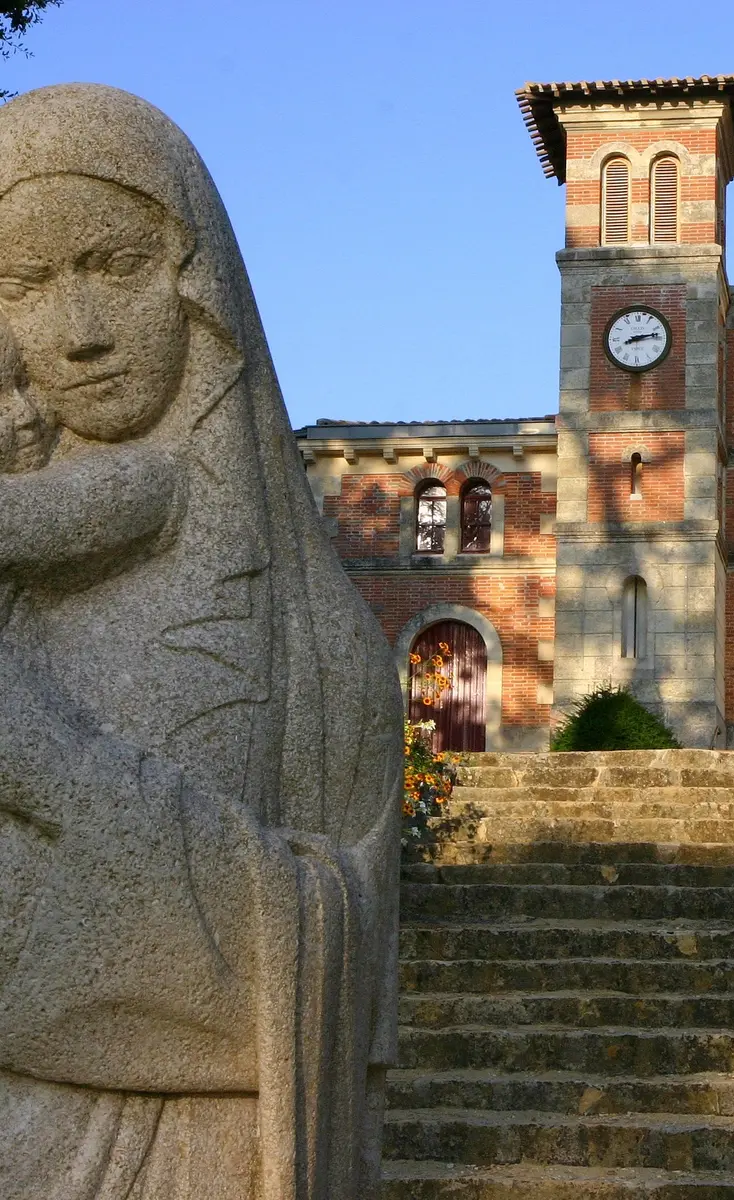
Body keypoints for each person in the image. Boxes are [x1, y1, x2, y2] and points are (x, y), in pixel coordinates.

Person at [0, 84, 404, 1199]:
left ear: (196, 281)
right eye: (26, 284)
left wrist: (44, 764)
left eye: (114, 266)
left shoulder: (313, 652)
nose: (79, 332)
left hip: (193, 1146)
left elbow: (329, 922)